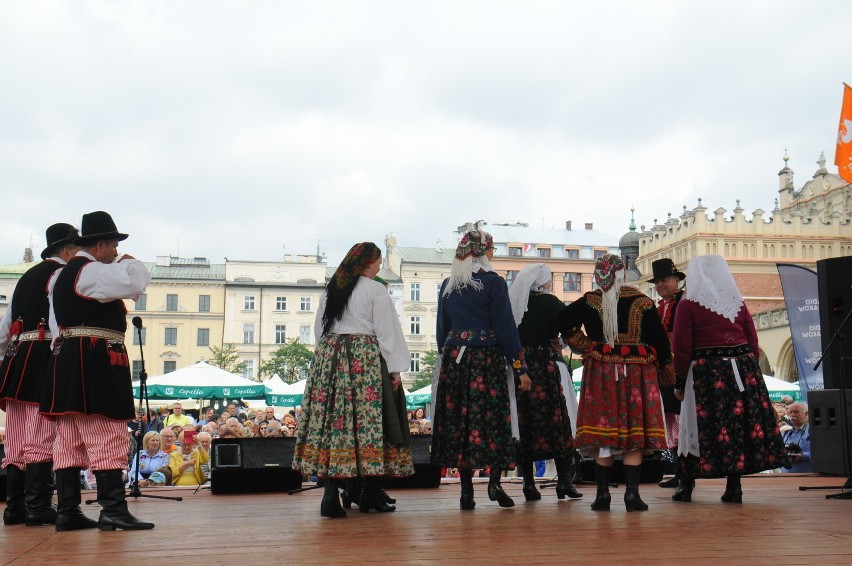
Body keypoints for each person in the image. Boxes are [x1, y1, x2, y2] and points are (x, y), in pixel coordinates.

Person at [41, 211, 154, 530]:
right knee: (106, 431)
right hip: (94, 360)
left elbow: (55, 324)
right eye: (114, 246)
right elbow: (135, 283)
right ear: (101, 245)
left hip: (68, 359)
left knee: (70, 438)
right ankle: (113, 509)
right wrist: (128, 262)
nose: (117, 252)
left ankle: (68, 511)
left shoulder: (61, 276)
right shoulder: (89, 272)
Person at [292, 242, 413, 519]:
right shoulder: (375, 290)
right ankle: (370, 491)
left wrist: (325, 360)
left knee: (335, 426)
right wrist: (394, 370)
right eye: (379, 261)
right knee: (370, 425)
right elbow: (387, 332)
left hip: (330, 358)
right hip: (364, 361)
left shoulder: (332, 289)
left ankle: (331, 495)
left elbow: (319, 330)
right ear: (368, 262)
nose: (380, 266)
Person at [556, 253, 673, 512]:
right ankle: (632, 495)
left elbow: (562, 320)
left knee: (605, 435)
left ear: (599, 275)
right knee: (634, 435)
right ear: (622, 273)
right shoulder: (642, 301)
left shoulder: (590, 300)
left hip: (601, 371)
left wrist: (584, 344)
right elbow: (660, 342)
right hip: (637, 373)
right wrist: (665, 366)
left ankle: (602, 496)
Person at [670, 255, 788, 503]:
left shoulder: (688, 304)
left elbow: (681, 347)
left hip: (707, 373)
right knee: (738, 426)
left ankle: (686, 486)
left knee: (695, 425)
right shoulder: (737, 303)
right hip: (743, 369)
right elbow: (752, 339)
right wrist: (751, 370)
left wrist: (679, 381)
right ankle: (734, 485)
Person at [431, 229, 532, 511]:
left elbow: (442, 330)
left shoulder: (449, 285)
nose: (493, 254)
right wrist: (520, 367)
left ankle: (466, 491)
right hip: (486, 361)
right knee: (494, 420)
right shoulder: (494, 283)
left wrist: (448, 357)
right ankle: (495, 483)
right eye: (492, 250)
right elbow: (506, 330)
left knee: (461, 424)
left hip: (456, 361)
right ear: (484, 252)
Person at [0, 223, 79, 527]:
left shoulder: (26, 277)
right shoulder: (61, 275)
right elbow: (59, 317)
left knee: (17, 438)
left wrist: (4, 363)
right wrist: (64, 349)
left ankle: (14, 508)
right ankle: (37, 505)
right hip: (44, 356)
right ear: (67, 250)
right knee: (40, 433)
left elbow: (6, 326)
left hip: (18, 359)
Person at [507, 263, 581, 501]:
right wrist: (561, 342)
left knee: (525, 424)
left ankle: (529, 485)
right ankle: (564, 483)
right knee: (557, 425)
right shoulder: (550, 302)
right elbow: (572, 322)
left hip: (521, 371)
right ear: (544, 282)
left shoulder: (514, 303)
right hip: (546, 368)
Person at [647, 258, 687, 489]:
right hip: (663, 371)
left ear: (676, 280)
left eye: (664, 280)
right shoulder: (659, 308)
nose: (660, 285)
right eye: (657, 281)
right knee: (671, 418)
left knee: (681, 418)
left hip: (679, 368)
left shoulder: (684, 303)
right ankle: (679, 468)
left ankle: (686, 468)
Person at [781, 402, 811, 473]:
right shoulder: (786, 433)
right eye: (790, 412)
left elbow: (823, 455)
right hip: (786, 479)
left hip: (807, 479)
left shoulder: (813, 432)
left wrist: (803, 457)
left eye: (796, 412)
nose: (792, 415)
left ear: (806, 414)